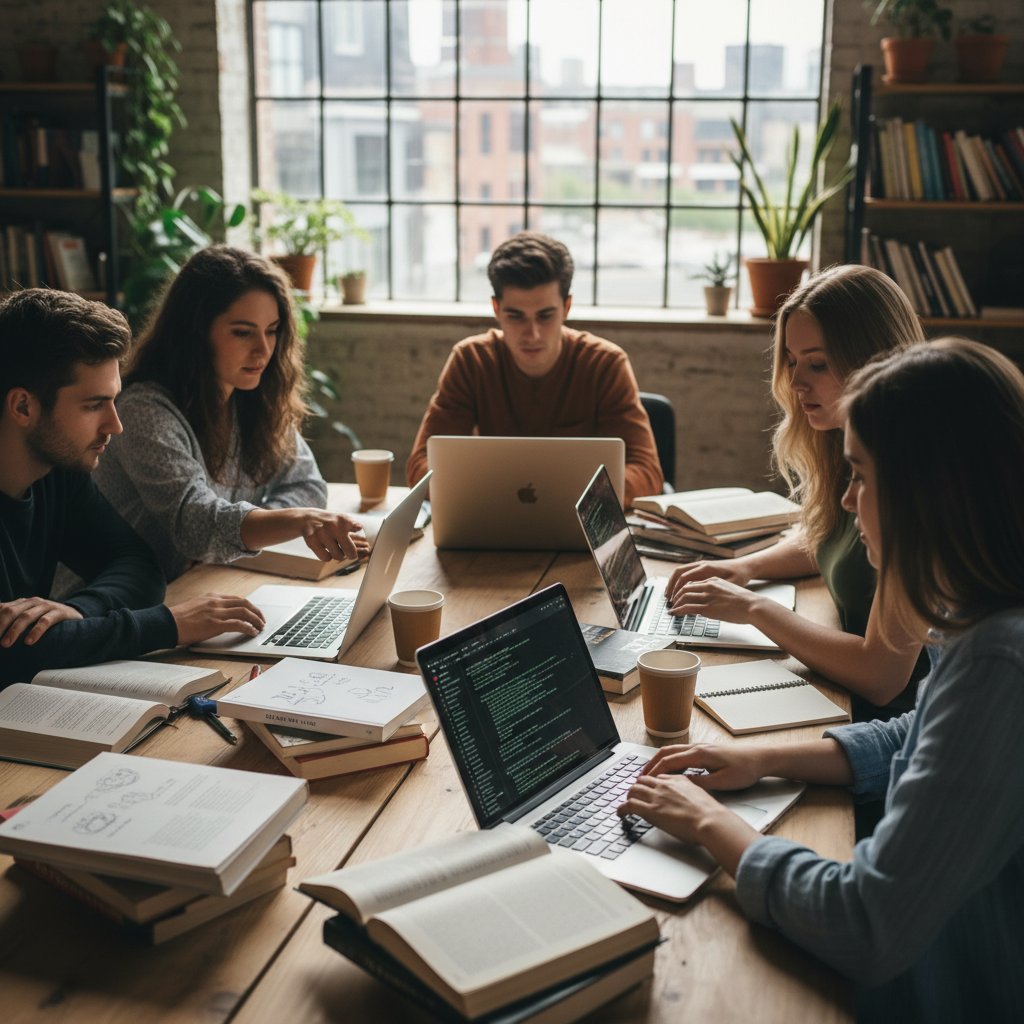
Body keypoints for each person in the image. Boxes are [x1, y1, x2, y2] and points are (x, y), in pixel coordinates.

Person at [620, 338, 1024, 1022]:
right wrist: (762, 757)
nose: (845, 496)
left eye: (862, 476)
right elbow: (921, 734)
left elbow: (865, 925)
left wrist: (713, 827)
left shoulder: (999, 662)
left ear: (929, 492)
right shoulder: (979, 617)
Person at [665, 265, 925, 716]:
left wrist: (754, 610)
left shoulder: (913, 479)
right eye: (791, 361)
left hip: (889, 731)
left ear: (873, 359)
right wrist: (742, 569)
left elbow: (883, 678)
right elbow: (831, 535)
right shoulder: (851, 441)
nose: (796, 382)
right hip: (843, 695)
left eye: (817, 364)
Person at [0, 288, 265, 688]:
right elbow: (13, 654)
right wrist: (170, 625)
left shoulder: (55, 472)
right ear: (23, 407)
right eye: (94, 405)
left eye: (114, 402)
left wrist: (78, 611)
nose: (115, 425)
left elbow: (136, 564)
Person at [95, 245, 363, 581]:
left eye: (272, 330)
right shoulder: (143, 411)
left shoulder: (251, 398)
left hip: (201, 585)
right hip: (117, 608)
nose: (264, 350)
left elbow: (307, 483)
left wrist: (238, 537)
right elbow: (197, 526)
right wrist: (291, 522)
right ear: (195, 332)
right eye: (242, 332)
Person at [405, 232, 664, 505]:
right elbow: (420, 467)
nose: (533, 334)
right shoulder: (471, 361)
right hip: (493, 523)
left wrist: (571, 499)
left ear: (566, 307)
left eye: (545, 315)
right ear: (496, 308)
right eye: (515, 316)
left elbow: (647, 472)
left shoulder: (605, 364)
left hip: (579, 527)